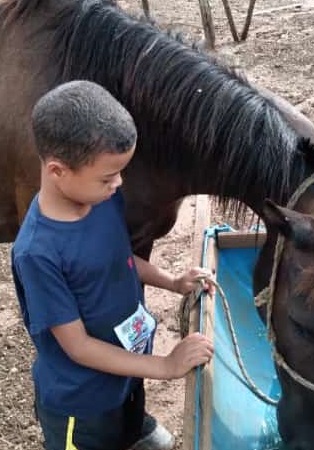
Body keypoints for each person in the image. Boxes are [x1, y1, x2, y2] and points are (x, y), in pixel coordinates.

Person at [11, 80, 215, 450]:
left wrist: (172, 281)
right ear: (58, 171)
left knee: (129, 420)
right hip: (82, 407)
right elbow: (79, 348)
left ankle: (133, 431)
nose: (119, 183)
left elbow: (119, 259)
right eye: (108, 176)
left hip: (124, 373)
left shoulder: (102, 199)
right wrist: (165, 366)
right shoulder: (38, 253)